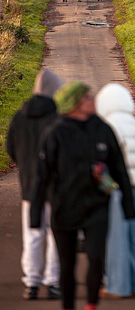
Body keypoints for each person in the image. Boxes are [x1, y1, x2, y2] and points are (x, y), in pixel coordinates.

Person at [31, 82, 135, 310]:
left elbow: (119, 168)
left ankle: (91, 305)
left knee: (96, 258)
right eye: (88, 97)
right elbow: (41, 176)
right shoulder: (55, 131)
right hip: (64, 206)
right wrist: (35, 214)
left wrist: (129, 205)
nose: (93, 100)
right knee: (67, 264)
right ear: (75, 103)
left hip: (96, 206)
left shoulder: (102, 129)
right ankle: (68, 305)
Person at [6, 68, 64, 301]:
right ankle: (53, 281)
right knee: (55, 234)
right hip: (55, 185)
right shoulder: (58, 118)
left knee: (32, 232)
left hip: (29, 184)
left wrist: (26, 166)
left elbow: (11, 148)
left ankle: (31, 282)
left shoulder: (20, 117)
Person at [95, 83, 135, 299]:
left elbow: (111, 159)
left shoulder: (111, 123)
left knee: (116, 236)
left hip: (119, 185)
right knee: (132, 236)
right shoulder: (132, 122)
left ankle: (117, 286)